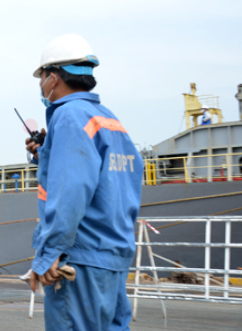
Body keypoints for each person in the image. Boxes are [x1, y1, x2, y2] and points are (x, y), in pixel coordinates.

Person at [25, 34, 143, 331]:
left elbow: (71, 191)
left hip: (80, 258)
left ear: (53, 78)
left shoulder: (67, 116)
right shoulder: (108, 120)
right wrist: (49, 155)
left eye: (41, 78)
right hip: (112, 256)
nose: (41, 86)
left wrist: (51, 253)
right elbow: (109, 181)